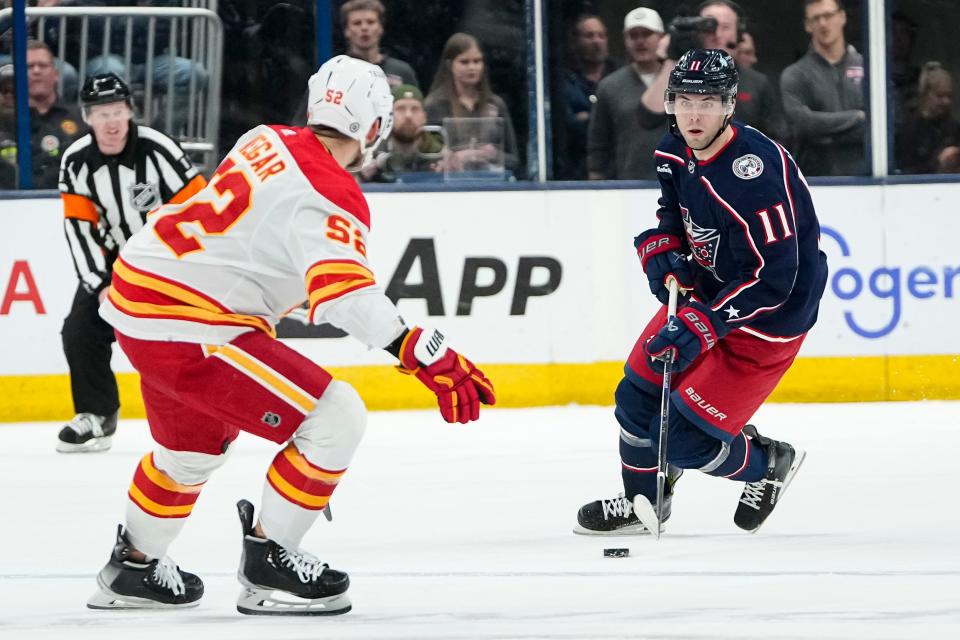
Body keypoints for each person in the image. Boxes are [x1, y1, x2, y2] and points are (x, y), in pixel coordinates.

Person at [88, 55, 495, 614]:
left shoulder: (267, 137)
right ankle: (270, 562)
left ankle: (133, 567)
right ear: (373, 126)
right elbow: (346, 295)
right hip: (191, 322)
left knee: (190, 451)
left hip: (140, 298)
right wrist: (422, 352)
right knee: (335, 417)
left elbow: (253, 236)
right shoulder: (331, 189)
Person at [575, 49, 827, 537]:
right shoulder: (673, 149)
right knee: (635, 399)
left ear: (730, 105)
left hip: (766, 322)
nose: (693, 114)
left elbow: (777, 277)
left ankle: (768, 463)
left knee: (687, 443)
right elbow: (673, 214)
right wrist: (660, 247)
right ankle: (644, 504)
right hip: (707, 296)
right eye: (684, 100)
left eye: (707, 101)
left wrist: (707, 323)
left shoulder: (756, 174)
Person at [56, 72, 206, 453]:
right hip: (114, 264)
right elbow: (80, 230)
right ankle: (96, 415)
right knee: (79, 330)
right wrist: (100, 284)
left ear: (130, 112)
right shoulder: (75, 161)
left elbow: (201, 209)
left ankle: (207, 414)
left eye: (117, 110)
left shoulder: (158, 149)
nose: (110, 121)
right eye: (100, 112)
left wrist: (196, 269)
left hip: (167, 262)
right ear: (87, 117)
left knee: (191, 337)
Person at [780, 0, 866, 176]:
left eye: (828, 15)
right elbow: (803, 124)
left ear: (842, 17)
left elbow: (884, 122)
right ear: (807, 26)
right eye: (815, 19)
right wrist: (857, 117)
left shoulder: (869, 68)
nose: (823, 23)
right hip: (817, 180)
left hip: (865, 176)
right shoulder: (795, 74)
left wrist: (825, 131)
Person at [586, 7, 668, 181]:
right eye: (633, 35)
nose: (640, 41)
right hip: (628, 186)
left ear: (661, 38)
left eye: (646, 34)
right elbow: (598, 145)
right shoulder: (609, 86)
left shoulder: (683, 81)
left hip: (679, 183)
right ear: (625, 40)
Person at [425, 32, 518, 176]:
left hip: (490, 184)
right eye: (464, 62)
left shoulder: (496, 104)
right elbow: (425, 158)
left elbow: (514, 160)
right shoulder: (434, 105)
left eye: (477, 61)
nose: (472, 67)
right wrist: (453, 157)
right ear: (450, 65)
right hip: (448, 188)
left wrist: (493, 154)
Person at [697, 1, 787, 142]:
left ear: (738, 34)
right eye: (709, 26)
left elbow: (776, 137)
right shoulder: (677, 77)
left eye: (725, 27)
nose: (717, 34)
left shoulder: (758, 83)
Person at [10, 40, 86, 189]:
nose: (36, 71)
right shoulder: (6, 121)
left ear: (56, 74)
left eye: (43, 65)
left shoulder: (82, 118)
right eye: (29, 66)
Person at [558, 14, 619, 180]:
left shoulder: (619, 76)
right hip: (574, 172)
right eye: (589, 35)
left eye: (601, 35)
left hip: (617, 171)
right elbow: (568, 127)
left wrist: (587, 118)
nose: (596, 41)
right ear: (576, 41)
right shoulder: (563, 80)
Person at [359, 83, 444, 182]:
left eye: (415, 109)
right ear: (389, 116)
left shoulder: (440, 154)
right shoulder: (370, 153)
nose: (408, 115)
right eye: (401, 109)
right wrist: (362, 177)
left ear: (424, 117)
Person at [896, 62, 960, 174]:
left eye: (949, 96)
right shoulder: (909, 130)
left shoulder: (954, 127)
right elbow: (905, 171)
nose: (946, 101)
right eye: (940, 96)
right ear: (925, 94)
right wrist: (938, 163)